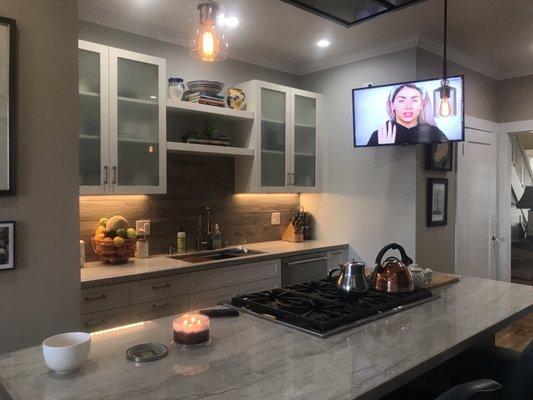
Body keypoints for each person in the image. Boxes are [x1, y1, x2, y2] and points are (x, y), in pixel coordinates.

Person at [367, 83, 448, 146]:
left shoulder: (434, 132)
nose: (408, 106)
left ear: (422, 104)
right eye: (401, 101)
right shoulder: (380, 135)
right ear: (392, 105)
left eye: (414, 100)